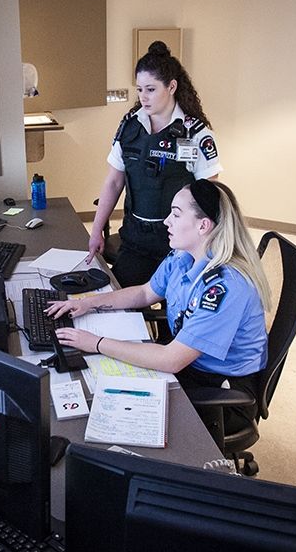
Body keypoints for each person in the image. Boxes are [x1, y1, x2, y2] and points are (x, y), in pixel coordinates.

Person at [47, 180, 270, 433]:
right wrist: (89, 303)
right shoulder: (183, 256)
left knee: (114, 412)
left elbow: (171, 360)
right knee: (103, 383)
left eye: (175, 214)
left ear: (203, 225)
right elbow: (145, 293)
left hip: (219, 392)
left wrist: (96, 342)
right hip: (190, 364)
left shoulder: (225, 287)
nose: (166, 222)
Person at [88, 41, 223, 287]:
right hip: (136, 242)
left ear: (172, 86)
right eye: (139, 89)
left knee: (177, 317)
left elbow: (208, 195)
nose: (143, 97)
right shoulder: (130, 126)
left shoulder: (196, 134)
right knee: (120, 304)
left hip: (181, 246)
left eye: (150, 89)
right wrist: (96, 229)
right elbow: (114, 181)